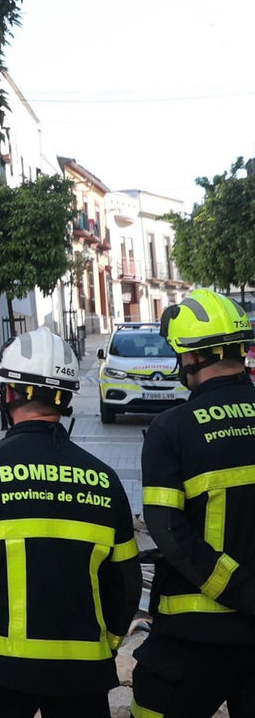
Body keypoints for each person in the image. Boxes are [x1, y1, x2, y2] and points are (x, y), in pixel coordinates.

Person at [0, 328, 141, 718]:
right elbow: (126, 582)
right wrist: (108, 645)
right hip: (82, 675)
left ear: (8, 393)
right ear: (68, 398)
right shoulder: (104, 479)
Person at [131, 289, 255, 718]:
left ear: (191, 357)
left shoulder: (172, 428)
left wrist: (242, 591)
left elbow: (168, 531)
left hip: (194, 636)